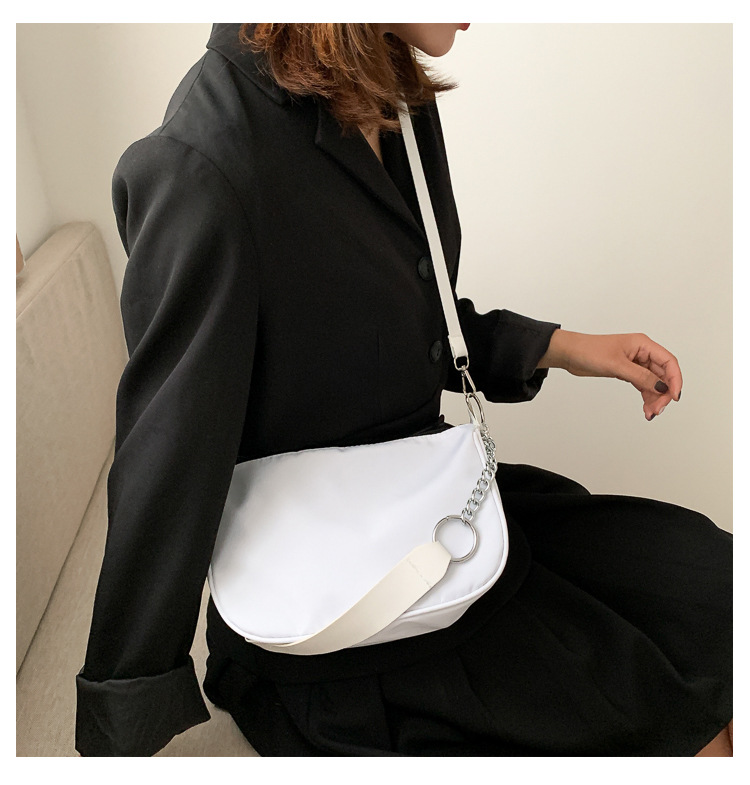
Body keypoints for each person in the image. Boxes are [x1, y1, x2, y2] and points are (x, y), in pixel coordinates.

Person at [75, 23, 732, 757]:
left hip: (433, 517)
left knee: (713, 585)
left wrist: (569, 348)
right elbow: (169, 450)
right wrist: (124, 710)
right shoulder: (202, 165)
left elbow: (401, 319)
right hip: (335, 623)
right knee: (676, 718)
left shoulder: (390, 93)